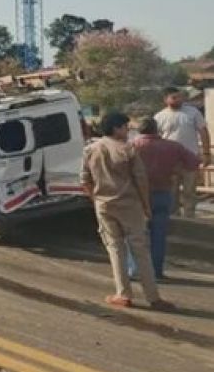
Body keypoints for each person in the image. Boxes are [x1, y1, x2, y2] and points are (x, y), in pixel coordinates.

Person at [81, 112, 173, 311]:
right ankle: (153, 297)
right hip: (129, 205)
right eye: (125, 127)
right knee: (140, 250)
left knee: (115, 250)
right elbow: (141, 180)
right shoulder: (128, 149)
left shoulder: (91, 149)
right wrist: (146, 206)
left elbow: (85, 180)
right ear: (116, 128)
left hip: (104, 205)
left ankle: (123, 294)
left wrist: (95, 199)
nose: (127, 130)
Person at [128, 117, 200, 280]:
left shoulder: (132, 146)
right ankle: (157, 271)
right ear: (157, 130)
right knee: (159, 236)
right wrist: (176, 170)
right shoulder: (173, 146)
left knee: (135, 234)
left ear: (140, 130)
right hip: (163, 192)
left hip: (137, 195)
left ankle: (135, 270)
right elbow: (194, 162)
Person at [154, 87, 210, 218]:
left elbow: (203, 132)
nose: (178, 100)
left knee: (190, 191)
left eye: (180, 97)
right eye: (174, 97)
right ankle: (174, 218)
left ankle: (189, 218)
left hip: (190, 158)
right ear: (166, 99)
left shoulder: (193, 112)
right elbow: (155, 139)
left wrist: (206, 153)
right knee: (172, 191)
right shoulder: (159, 117)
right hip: (169, 161)